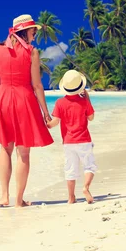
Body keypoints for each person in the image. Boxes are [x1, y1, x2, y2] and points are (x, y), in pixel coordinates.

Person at [0, 14, 54, 208]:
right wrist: (46, 113)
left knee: (5, 147)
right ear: (24, 31)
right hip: (23, 100)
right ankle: (18, 200)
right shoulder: (32, 52)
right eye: (33, 32)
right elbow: (37, 85)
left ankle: (4, 196)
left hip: (2, 100)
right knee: (23, 153)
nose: (34, 36)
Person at [47, 69, 97, 204]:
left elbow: (55, 122)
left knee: (70, 169)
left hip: (68, 142)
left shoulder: (60, 103)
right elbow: (91, 118)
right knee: (90, 166)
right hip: (84, 140)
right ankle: (86, 187)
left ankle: (71, 198)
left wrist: (48, 124)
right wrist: (87, 98)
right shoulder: (84, 102)